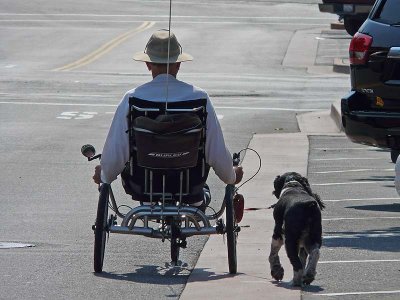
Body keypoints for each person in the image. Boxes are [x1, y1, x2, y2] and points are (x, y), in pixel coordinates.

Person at [93, 29, 243, 207]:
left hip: (143, 185)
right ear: (178, 64)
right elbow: (215, 149)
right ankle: (196, 202)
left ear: (148, 64)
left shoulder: (132, 98)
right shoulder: (200, 98)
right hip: (190, 185)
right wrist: (231, 176)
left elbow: (117, 148)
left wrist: (104, 174)